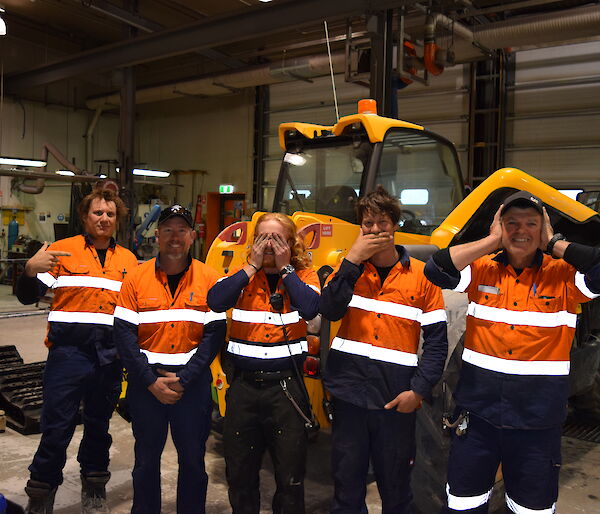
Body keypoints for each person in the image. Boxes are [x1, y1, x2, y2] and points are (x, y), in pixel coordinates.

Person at [423, 190, 600, 514]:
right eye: (512, 223)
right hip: (478, 419)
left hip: (536, 424)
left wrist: (553, 242)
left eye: (531, 223)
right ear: (500, 226)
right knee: (463, 503)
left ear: (543, 228)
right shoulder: (481, 268)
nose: (521, 230)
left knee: (531, 508)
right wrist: (492, 241)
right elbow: (435, 270)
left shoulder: (563, 274)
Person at [320, 186, 448, 514]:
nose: (375, 230)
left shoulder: (423, 278)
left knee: (396, 491)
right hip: (349, 398)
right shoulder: (349, 271)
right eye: (367, 224)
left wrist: (418, 392)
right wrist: (351, 259)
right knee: (347, 488)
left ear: (395, 225)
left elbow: (436, 344)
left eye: (382, 222)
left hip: (395, 402)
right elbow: (330, 310)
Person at [16, 187, 138, 514]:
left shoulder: (128, 260)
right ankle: (41, 492)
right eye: (98, 213)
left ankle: (94, 483)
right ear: (85, 217)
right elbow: (28, 296)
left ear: (117, 220)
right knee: (57, 425)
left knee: (99, 425)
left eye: (110, 214)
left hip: (109, 356)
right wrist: (30, 268)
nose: (104, 219)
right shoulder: (60, 251)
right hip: (68, 355)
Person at [113, 205, 226, 514]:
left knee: (192, 460)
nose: (174, 237)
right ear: (157, 235)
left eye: (181, 231)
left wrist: (185, 379)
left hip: (192, 387)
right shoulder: (136, 279)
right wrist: (150, 382)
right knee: (146, 461)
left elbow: (214, 335)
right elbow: (123, 335)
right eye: (168, 230)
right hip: (145, 386)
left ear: (192, 236)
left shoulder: (209, 278)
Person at [207, 212, 320, 514]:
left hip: (286, 391)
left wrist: (285, 269)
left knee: (290, 477)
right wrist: (252, 266)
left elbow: (310, 308)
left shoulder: (304, 276)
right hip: (243, 389)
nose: (269, 244)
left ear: (291, 243)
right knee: (241, 475)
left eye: (277, 238)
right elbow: (216, 300)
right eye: (262, 238)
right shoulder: (241, 276)